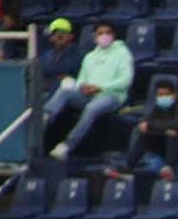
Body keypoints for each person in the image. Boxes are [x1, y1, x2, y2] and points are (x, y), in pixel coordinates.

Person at [44, 20, 133, 161]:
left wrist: (101, 87)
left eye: (108, 33)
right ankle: (44, 119)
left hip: (112, 96)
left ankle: (67, 145)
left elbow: (126, 80)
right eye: (100, 33)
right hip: (89, 94)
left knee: (92, 108)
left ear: (114, 35)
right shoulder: (90, 57)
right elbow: (81, 79)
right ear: (94, 37)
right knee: (64, 92)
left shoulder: (122, 53)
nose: (104, 35)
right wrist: (82, 86)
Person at [106, 77, 178, 180]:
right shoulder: (158, 107)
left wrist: (153, 125)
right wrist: (153, 127)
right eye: (160, 95)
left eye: (166, 94)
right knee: (145, 133)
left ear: (175, 95)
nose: (163, 97)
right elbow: (145, 122)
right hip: (165, 146)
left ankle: (169, 169)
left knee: (173, 132)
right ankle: (129, 168)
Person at [39, 18, 83, 97]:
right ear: (51, 37)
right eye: (55, 33)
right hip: (47, 85)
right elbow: (41, 68)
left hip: (70, 87)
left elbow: (65, 67)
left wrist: (51, 71)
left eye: (64, 32)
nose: (59, 36)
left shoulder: (78, 53)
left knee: (65, 82)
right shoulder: (46, 54)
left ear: (71, 36)